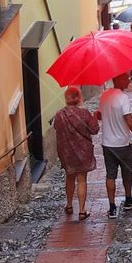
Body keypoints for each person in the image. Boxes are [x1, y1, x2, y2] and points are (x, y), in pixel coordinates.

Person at [98, 72, 132, 217]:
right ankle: (128, 200)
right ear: (118, 80)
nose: (128, 81)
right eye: (126, 78)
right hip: (123, 144)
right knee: (127, 173)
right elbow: (129, 120)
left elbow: (100, 115)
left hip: (107, 144)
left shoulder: (104, 96)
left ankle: (112, 207)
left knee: (110, 175)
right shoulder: (123, 98)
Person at [52, 86, 99, 220]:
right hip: (83, 152)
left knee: (69, 177)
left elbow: (57, 128)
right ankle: (82, 211)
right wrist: (95, 116)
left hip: (67, 152)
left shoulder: (60, 114)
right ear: (78, 98)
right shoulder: (84, 113)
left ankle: (69, 205)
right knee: (82, 179)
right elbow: (94, 129)